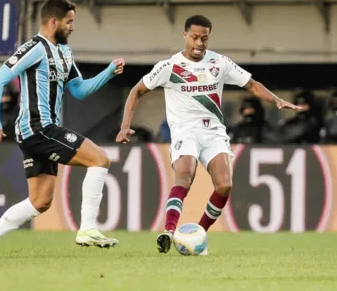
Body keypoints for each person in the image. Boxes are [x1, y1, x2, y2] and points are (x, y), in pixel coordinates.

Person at [115, 15, 301, 255]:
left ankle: (197, 235)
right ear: (185, 36)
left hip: (213, 132)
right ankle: (169, 231)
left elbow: (251, 84)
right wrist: (124, 125)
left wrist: (275, 99)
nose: (199, 43)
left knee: (224, 185)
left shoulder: (220, 63)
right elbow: (136, 91)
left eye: (204, 38)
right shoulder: (169, 67)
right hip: (185, 130)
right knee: (185, 177)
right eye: (194, 37)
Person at [0, 0, 125, 259]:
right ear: (54, 22)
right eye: (69, 22)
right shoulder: (34, 48)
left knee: (40, 202)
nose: (73, 27)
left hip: (41, 131)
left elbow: (79, 90)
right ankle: (87, 228)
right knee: (100, 159)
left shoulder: (64, 52)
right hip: (37, 127)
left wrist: (107, 72)